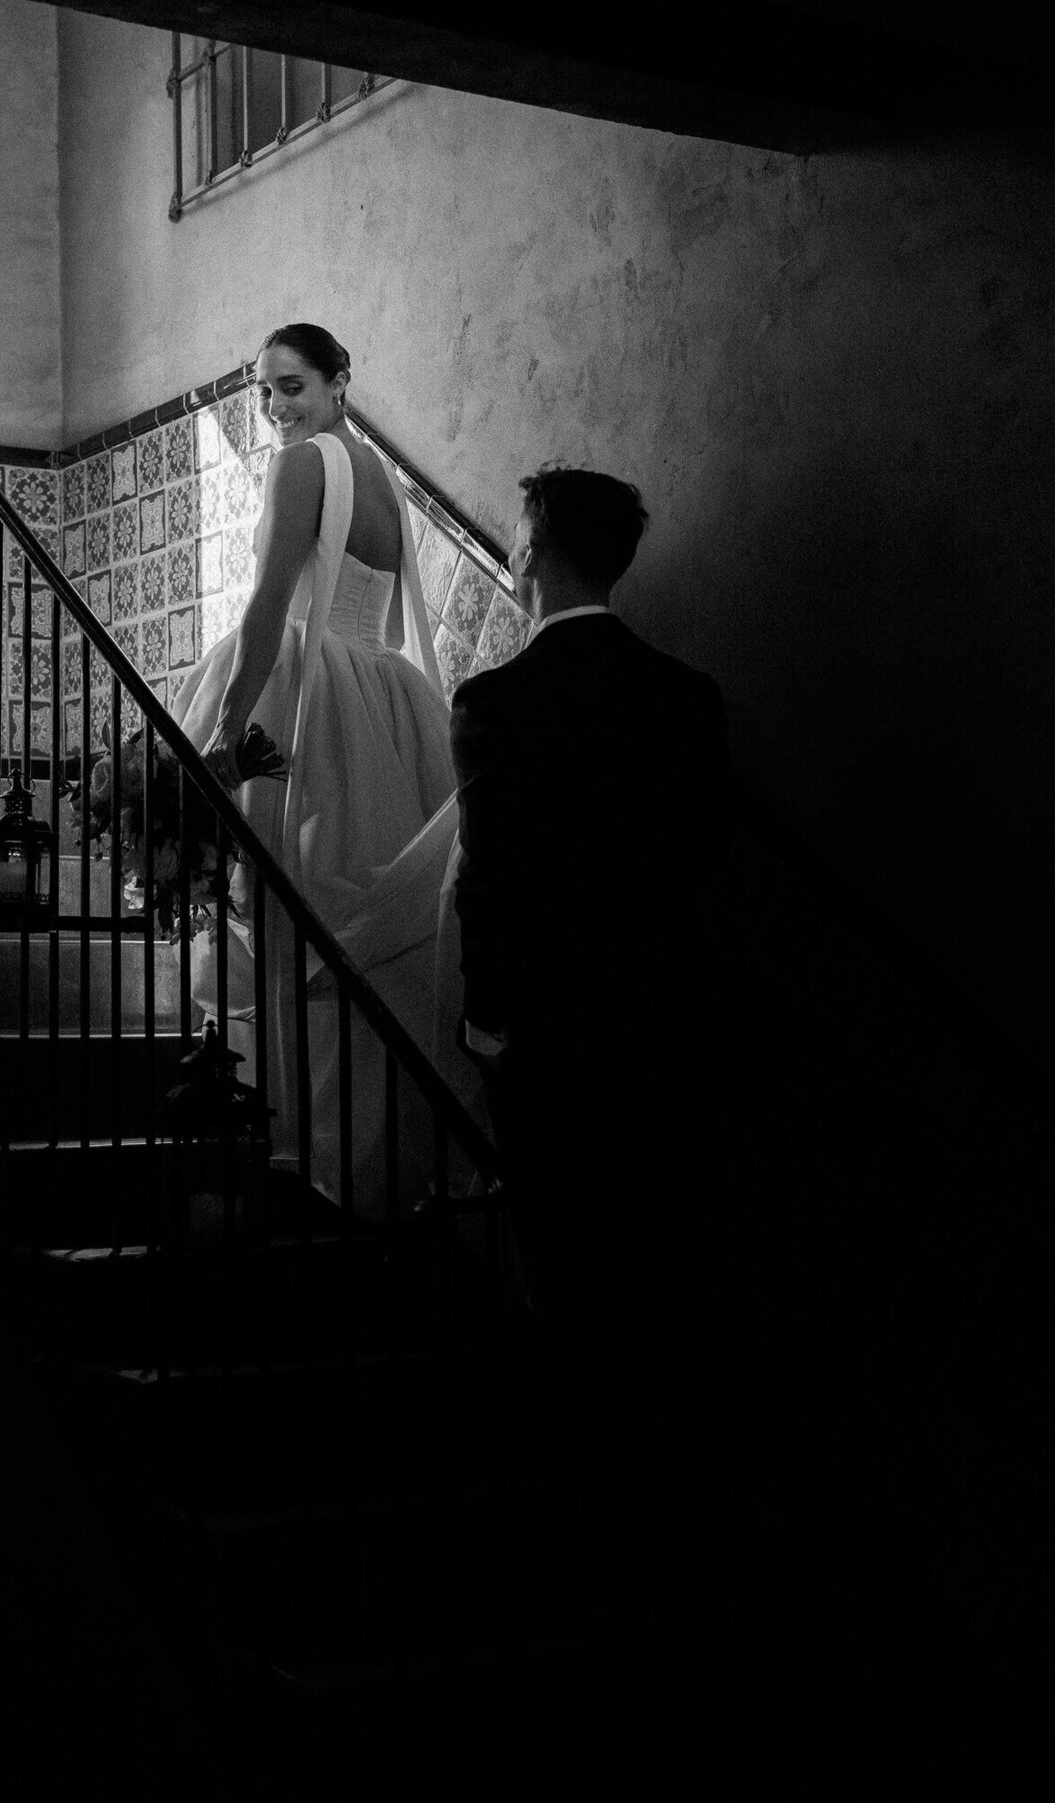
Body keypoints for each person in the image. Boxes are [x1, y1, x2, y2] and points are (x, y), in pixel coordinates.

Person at [449, 464, 733, 1636]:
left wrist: (487, 1019)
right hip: (666, 1039)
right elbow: (701, 882)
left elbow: (495, 886)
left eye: (517, 538)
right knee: (651, 1277)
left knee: (558, 1293)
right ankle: (671, 1558)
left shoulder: (496, 701)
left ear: (531, 552)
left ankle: (584, 1567)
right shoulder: (689, 697)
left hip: (556, 1045)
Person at [172, 324, 466, 1213]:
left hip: (309, 692)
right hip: (386, 693)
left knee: (291, 907)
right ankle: (366, 1150)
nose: (273, 409)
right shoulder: (382, 477)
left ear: (342, 382)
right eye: (262, 391)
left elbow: (267, 607)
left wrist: (225, 735)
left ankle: (294, 1137)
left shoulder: (301, 466)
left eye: (291, 387)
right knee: (356, 930)